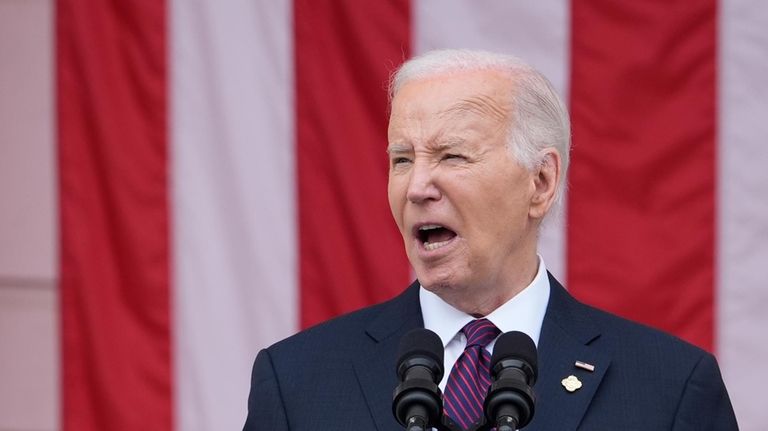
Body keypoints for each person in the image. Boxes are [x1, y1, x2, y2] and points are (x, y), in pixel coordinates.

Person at [243, 49, 738, 431]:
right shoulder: (297, 382)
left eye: (452, 156)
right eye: (402, 159)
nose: (417, 187)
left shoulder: (669, 388)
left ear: (540, 183)